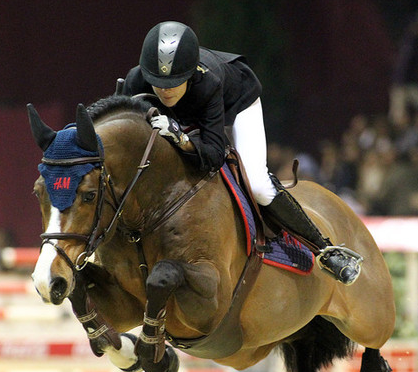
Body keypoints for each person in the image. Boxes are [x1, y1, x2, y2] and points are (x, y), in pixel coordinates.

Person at [120, 21, 361, 284]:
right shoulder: (136, 81)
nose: (165, 90)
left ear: (189, 74)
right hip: (182, 115)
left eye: (174, 82)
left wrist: (181, 138)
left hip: (236, 102)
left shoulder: (208, 82)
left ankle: (326, 250)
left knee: (256, 183)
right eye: (157, 82)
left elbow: (213, 155)